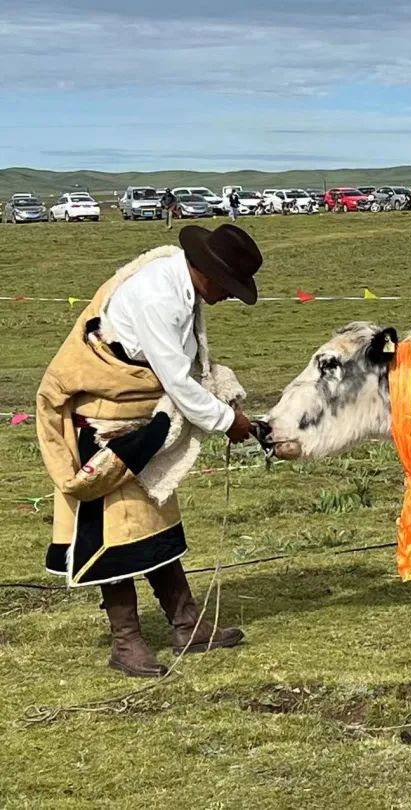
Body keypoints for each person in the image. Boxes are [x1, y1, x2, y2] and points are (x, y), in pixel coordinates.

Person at [35, 223, 262, 678]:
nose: (228, 297)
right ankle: (126, 641)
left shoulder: (185, 288)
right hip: (104, 424)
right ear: (206, 271)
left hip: (142, 418)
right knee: (116, 535)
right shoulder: (160, 294)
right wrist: (226, 421)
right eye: (229, 287)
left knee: (155, 522)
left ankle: (186, 623)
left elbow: (178, 372)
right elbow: (176, 381)